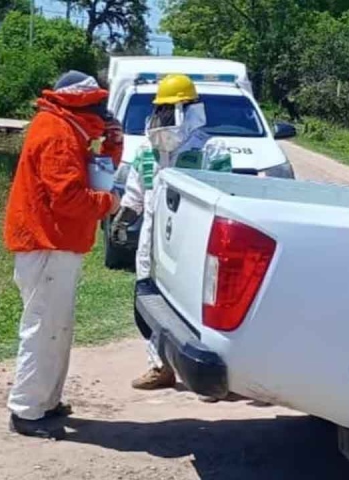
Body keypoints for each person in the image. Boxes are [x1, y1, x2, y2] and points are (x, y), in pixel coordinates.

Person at [4, 70, 123, 439]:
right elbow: (69, 198)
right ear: (81, 101)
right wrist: (111, 202)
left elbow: (92, 174)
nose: (103, 112)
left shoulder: (68, 128)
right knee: (43, 329)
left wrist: (111, 146)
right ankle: (26, 409)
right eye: (99, 104)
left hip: (56, 245)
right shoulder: (57, 133)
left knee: (57, 328)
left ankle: (45, 402)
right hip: (47, 245)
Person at [110, 74, 230, 393]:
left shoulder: (211, 149)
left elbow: (224, 198)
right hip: (152, 244)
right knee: (146, 304)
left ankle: (209, 377)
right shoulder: (148, 151)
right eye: (160, 110)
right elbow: (135, 193)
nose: (163, 118)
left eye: (170, 110)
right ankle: (159, 366)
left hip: (192, 245)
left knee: (194, 312)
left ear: (190, 110)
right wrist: (122, 219)